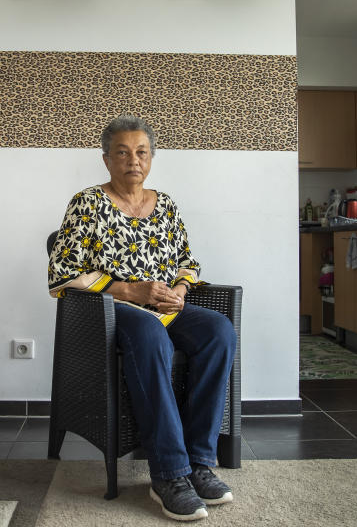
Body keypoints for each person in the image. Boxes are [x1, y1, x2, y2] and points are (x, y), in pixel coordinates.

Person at [48, 114, 236, 521]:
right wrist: (129, 289)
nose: (133, 160)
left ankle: (199, 462)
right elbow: (62, 273)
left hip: (164, 307)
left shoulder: (165, 204)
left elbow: (188, 261)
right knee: (149, 331)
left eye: (142, 152)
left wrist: (180, 292)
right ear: (106, 159)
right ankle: (167, 473)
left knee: (218, 330)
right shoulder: (87, 203)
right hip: (111, 313)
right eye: (122, 152)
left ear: (151, 158)